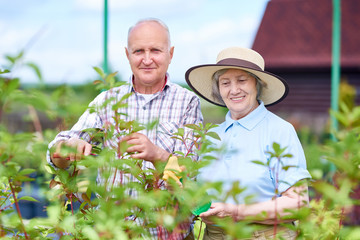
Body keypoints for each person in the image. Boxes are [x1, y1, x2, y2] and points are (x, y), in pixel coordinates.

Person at [47, 18, 203, 240]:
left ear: (171, 53)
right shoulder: (107, 101)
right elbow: (55, 153)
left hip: (166, 234)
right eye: (138, 51)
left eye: (155, 50)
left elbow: (191, 174)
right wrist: (66, 149)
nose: (147, 59)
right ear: (127, 54)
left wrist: (157, 155)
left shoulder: (188, 102)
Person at [185, 47, 311, 239]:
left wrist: (236, 212)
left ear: (257, 85)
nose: (234, 90)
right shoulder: (211, 136)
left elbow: (298, 204)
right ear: (218, 89)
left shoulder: (279, 131)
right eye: (225, 83)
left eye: (242, 80)